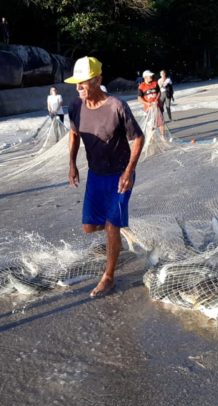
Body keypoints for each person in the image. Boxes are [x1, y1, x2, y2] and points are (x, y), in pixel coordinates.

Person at [65, 56, 144, 297]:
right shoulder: (75, 107)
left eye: (84, 82)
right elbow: (74, 135)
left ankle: (108, 278)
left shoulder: (116, 106)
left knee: (111, 225)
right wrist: (72, 164)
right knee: (89, 227)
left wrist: (129, 171)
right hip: (96, 173)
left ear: (98, 80)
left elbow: (138, 138)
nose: (79, 88)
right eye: (77, 83)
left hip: (120, 174)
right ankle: (116, 234)